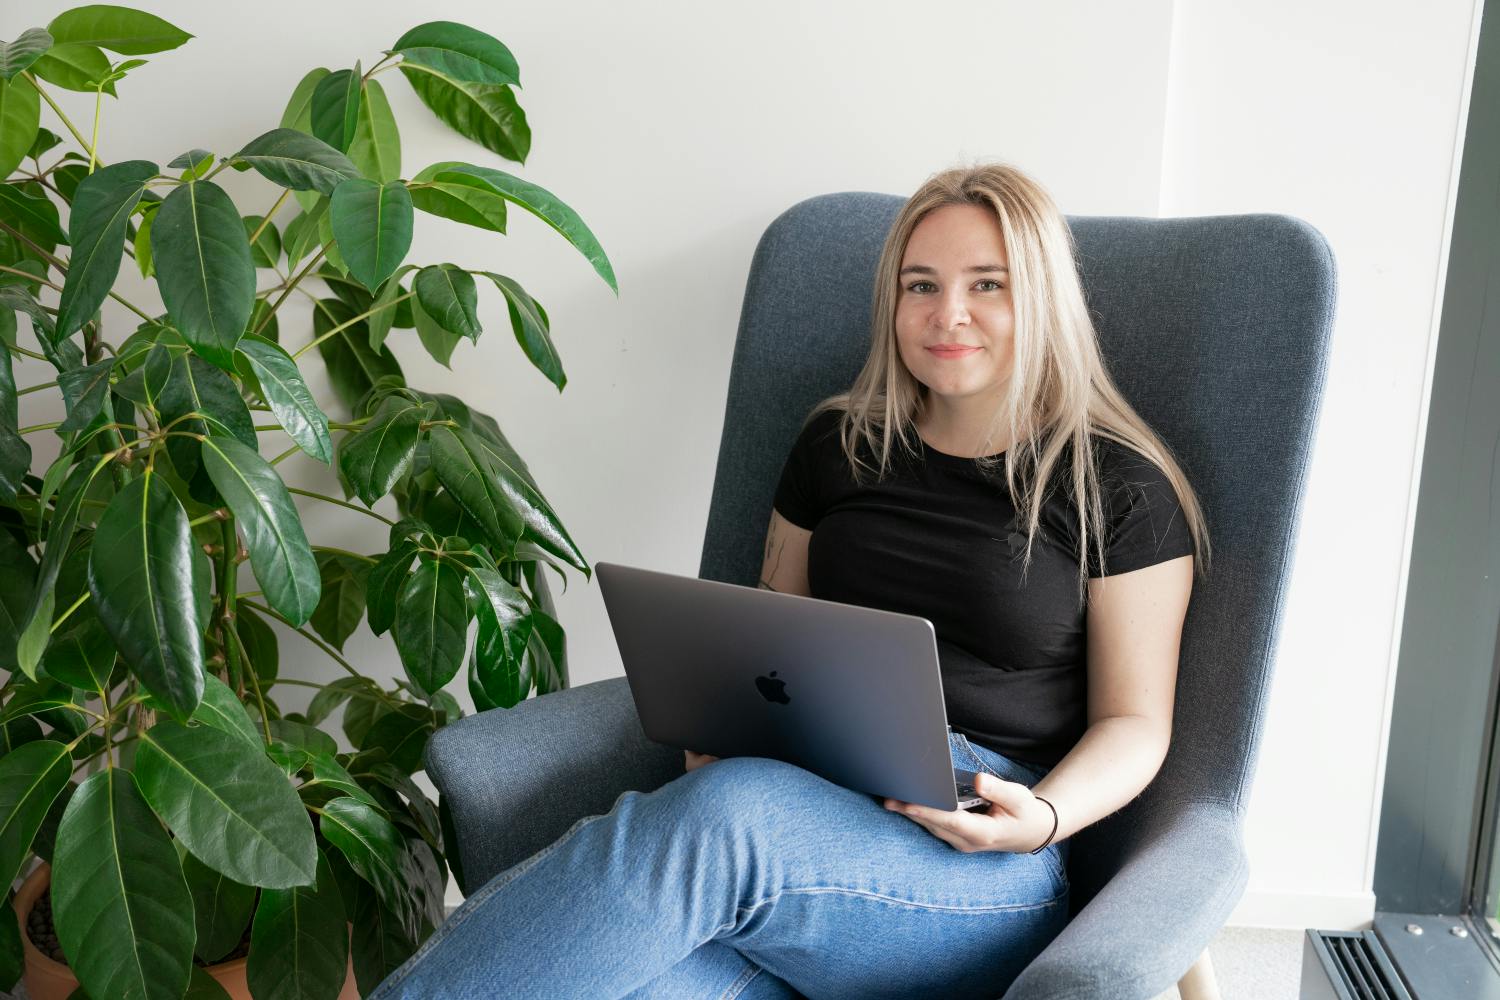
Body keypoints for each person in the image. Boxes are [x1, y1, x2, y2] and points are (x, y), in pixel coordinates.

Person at [370, 163, 1210, 999]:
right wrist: (722, 722)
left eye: (986, 284)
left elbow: (1135, 722)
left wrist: (1044, 820)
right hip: (803, 811)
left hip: (983, 857)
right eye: (921, 285)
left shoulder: (1119, 486)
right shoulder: (837, 444)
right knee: (648, 974)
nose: (947, 314)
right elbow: (769, 641)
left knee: (726, 819)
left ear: (1041, 298)